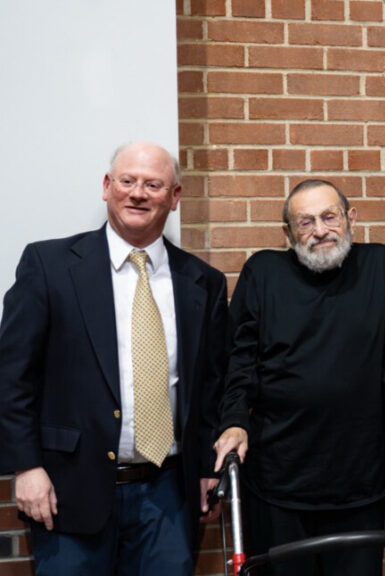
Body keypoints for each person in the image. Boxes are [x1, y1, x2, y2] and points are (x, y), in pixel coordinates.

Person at [0, 142, 227, 575]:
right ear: (107, 187)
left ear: (175, 197)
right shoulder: (49, 266)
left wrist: (205, 470)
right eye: (127, 181)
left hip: (169, 498)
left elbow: (211, 385)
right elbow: (12, 376)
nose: (138, 193)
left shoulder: (203, 283)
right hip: (69, 491)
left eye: (153, 184)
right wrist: (25, 466)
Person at [212, 179, 385, 575]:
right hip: (279, 476)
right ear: (287, 233)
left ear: (350, 218)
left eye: (329, 217)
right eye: (305, 222)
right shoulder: (263, 272)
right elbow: (238, 363)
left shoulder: (378, 265)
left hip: (359, 476)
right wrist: (233, 421)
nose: (319, 230)